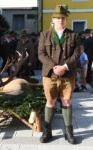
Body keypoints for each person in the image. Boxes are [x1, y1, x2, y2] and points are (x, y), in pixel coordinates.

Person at [38, 5, 81, 144]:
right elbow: (41, 53)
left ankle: (69, 132)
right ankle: (47, 131)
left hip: (67, 74)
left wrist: (65, 66)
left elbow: (77, 53)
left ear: (66, 19)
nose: (60, 20)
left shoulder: (74, 35)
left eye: (62, 18)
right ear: (53, 19)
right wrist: (54, 67)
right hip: (50, 75)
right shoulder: (45, 34)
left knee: (66, 101)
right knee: (50, 101)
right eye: (57, 18)